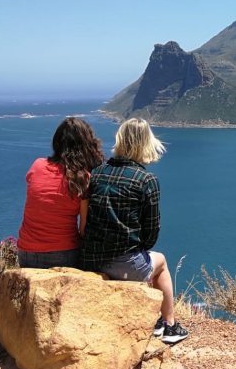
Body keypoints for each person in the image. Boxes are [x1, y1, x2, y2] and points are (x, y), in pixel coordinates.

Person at [80, 118, 188, 345]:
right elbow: (150, 236)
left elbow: (86, 218)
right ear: (146, 143)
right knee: (161, 263)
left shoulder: (97, 172)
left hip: (90, 260)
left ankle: (157, 321)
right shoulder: (146, 180)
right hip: (125, 266)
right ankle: (168, 325)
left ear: (120, 140)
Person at [17, 117, 104, 268]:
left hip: (26, 253)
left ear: (56, 142)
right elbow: (83, 229)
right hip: (64, 254)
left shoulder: (37, 166)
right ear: (85, 145)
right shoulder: (83, 178)